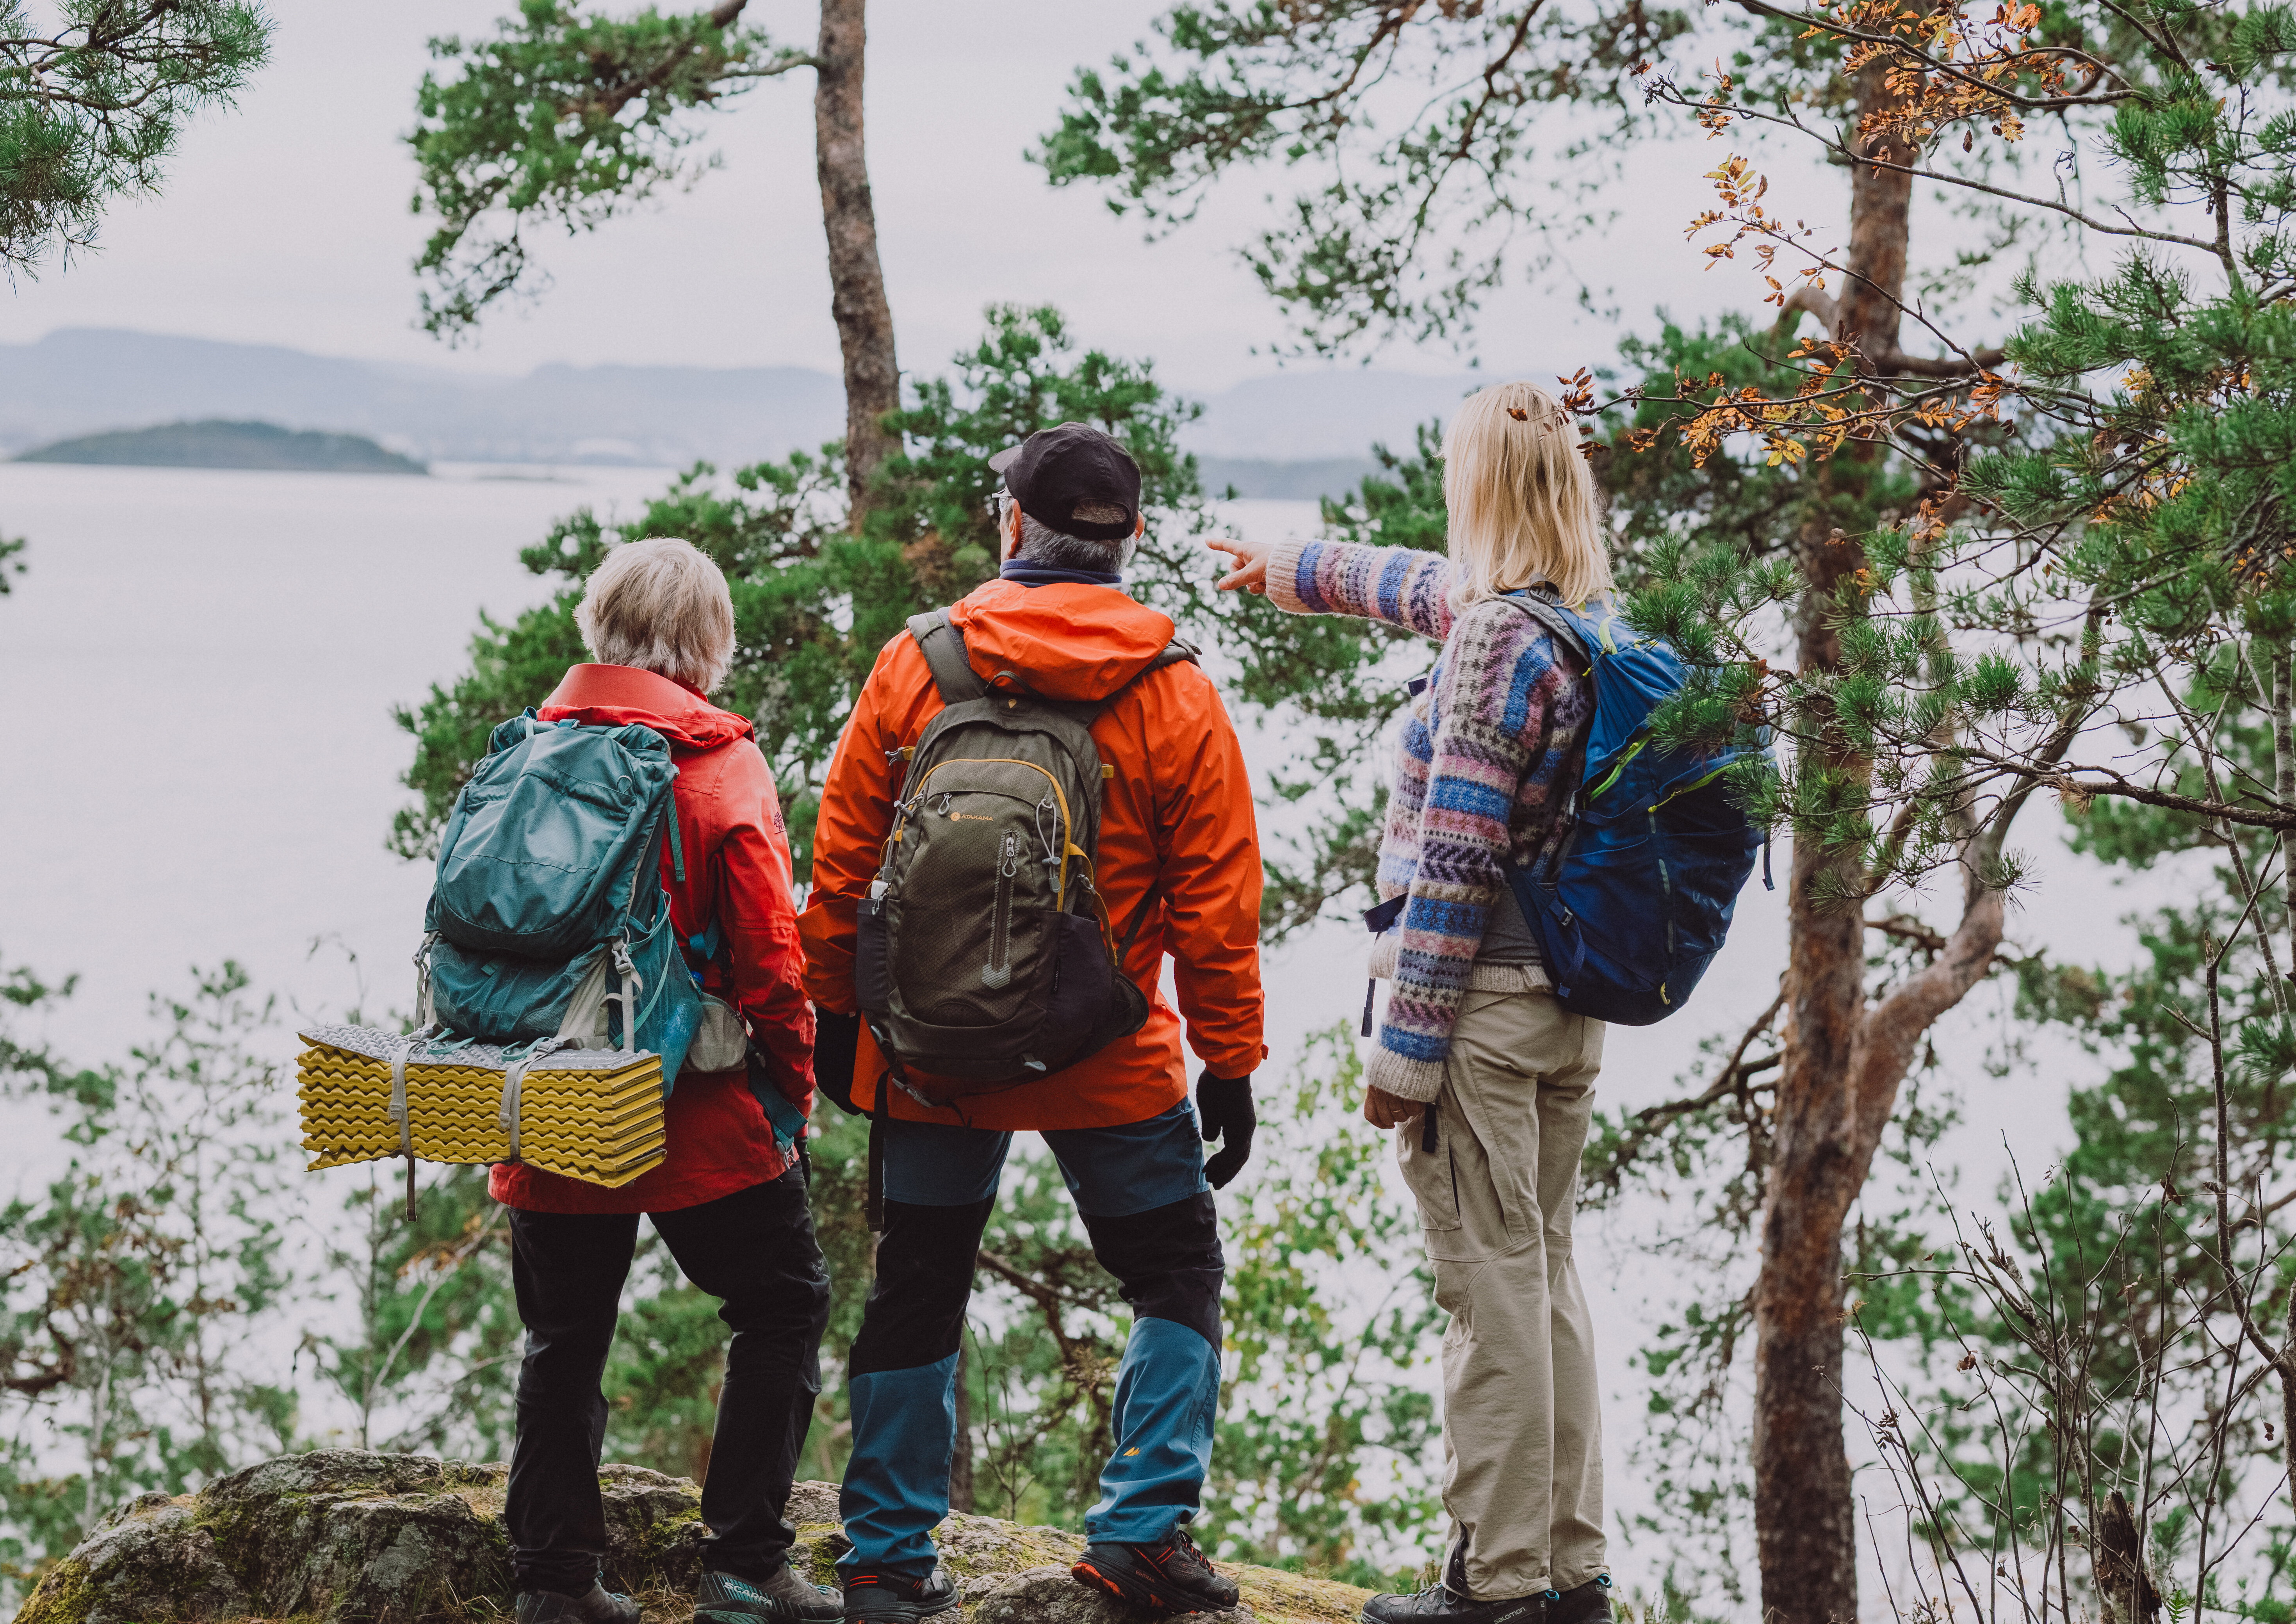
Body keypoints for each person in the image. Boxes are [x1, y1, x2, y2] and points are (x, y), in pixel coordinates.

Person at [802, 423, 1266, 1622]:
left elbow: (844, 868)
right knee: (1174, 1274)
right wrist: (1230, 1061)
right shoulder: (1173, 689)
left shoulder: (920, 665)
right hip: (1107, 1056)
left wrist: (840, 1029)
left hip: (933, 1060)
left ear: (1012, 524)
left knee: (918, 1283)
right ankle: (1141, 1537)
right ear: (1134, 539)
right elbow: (1217, 904)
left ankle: (887, 1562)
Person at [1208, 381, 1616, 1624]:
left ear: (1481, 487)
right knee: (1541, 1275)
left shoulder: (1498, 642)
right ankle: (1571, 1571)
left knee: (1486, 1291)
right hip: (1564, 1007)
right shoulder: (1579, 619)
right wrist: (1292, 569)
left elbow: (1454, 860)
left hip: (1479, 1013)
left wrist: (1406, 1056)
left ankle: (1494, 1587)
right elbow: (1423, 588)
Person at [492, 538, 839, 1624]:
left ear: (599, 624)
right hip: (693, 1108)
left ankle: (555, 1583)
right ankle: (742, 1564)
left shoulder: (525, 754)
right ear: (708, 642)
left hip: (552, 1093)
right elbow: (770, 961)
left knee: (564, 1341)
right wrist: (792, 1090)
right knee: (783, 1305)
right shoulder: (716, 763)